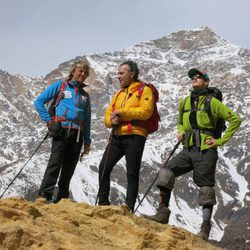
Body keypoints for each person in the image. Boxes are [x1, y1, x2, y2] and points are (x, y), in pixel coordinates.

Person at [144, 68, 241, 240]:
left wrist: (219, 141)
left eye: (199, 77)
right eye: (193, 77)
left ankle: (205, 228)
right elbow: (181, 121)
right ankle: (162, 213)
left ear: (206, 82)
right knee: (166, 172)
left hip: (206, 151)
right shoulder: (185, 102)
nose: (195, 78)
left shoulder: (213, 102)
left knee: (205, 188)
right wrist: (181, 131)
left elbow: (235, 119)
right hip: (187, 149)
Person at [98, 61, 154, 211]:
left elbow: (146, 112)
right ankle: (103, 203)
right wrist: (111, 120)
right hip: (117, 135)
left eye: (122, 73)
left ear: (132, 74)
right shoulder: (119, 93)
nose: (118, 76)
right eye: (118, 73)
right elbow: (108, 114)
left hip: (135, 136)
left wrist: (122, 113)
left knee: (132, 173)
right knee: (104, 166)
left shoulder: (144, 90)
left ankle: (129, 209)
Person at [34, 61, 91, 203]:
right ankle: (44, 195)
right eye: (80, 71)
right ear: (73, 71)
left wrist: (87, 141)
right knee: (55, 163)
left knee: (69, 168)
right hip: (61, 130)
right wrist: (49, 121)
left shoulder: (85, 96)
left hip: (78, 134)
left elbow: (87, 119)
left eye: (85, 73)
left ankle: (61, 198)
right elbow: (39, 102)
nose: (82, 74)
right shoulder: (61, 86)